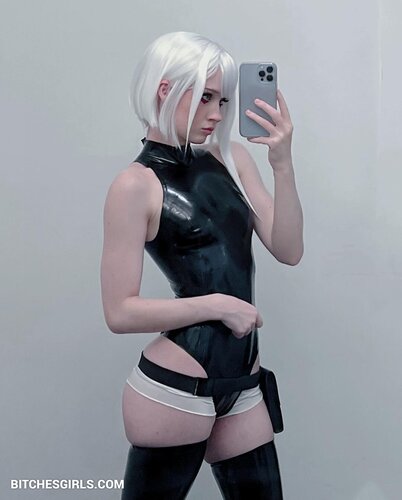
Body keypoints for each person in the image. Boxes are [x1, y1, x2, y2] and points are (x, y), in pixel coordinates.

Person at [100, 31, 303, 500]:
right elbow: (119, 312)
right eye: (206, 97)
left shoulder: (232, 159)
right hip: (176, 386)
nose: (218, 113)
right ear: (165, 90)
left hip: (243, 381)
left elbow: (289, 249)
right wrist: (216, 305)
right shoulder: (135, 185)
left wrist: (282, 164)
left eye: (223, 100)